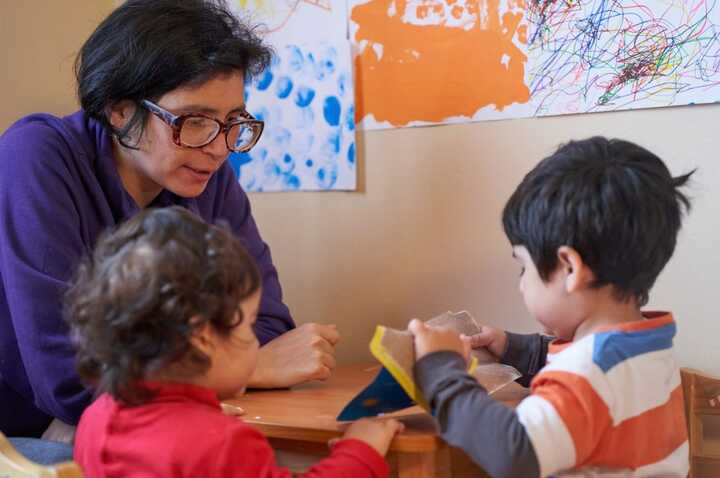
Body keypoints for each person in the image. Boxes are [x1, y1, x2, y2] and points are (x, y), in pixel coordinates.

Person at [0, 0, 338, 458]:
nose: (219, 148)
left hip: (134, 421)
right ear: (120, 110)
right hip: (19, 436)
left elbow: (268, 323)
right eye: (194, 121)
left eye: (232, 122)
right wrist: (252, 367)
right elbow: (68, 380)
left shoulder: (205, 175)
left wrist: (210, 366)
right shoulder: (36, 155)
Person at [408, 137, 693, 477]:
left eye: (523, 267)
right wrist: (514, 349)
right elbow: (584, 378)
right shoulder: (647, 347)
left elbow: (513, 451)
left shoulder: (588, 372)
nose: (522, 283)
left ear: (570, 268)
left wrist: (442, 370)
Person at [67, 206, 402, 477]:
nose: (257, 343)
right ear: (203, 337)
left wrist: (200, 416)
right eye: (250, 325)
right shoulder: (222, 446)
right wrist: (361, 450)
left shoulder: (95, 420)